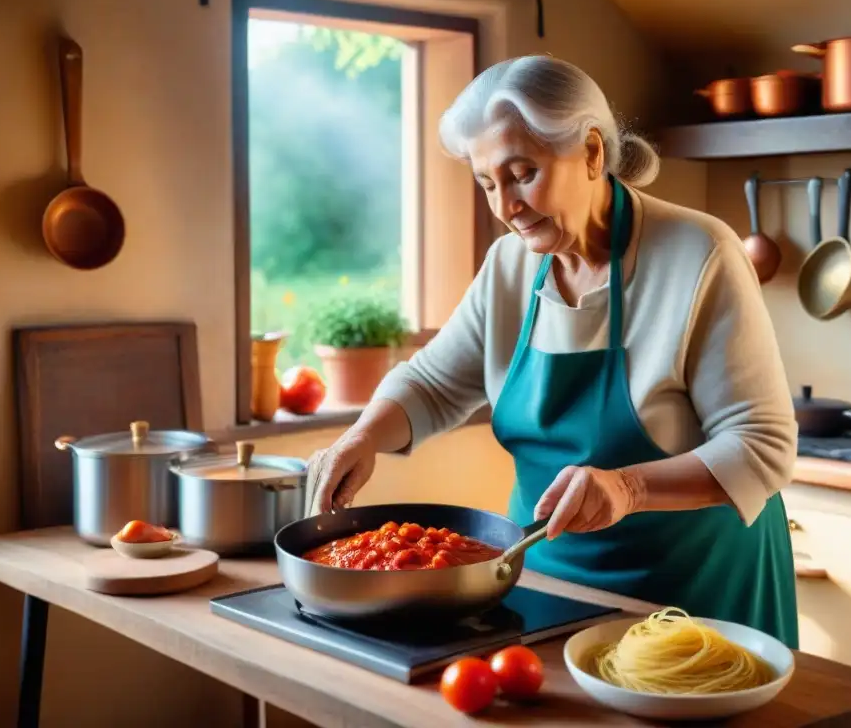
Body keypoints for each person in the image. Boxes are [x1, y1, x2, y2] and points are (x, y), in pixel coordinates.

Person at [308, 55, 799, 648]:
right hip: (551, 579)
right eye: (487, 182)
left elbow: (762, 446)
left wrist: (629, 488)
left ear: (592, 152)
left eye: (522, 173)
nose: (505, 206)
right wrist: (363, 436)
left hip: (696, 589)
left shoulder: (700, 253)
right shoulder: (510, 267)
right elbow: (434, 384)